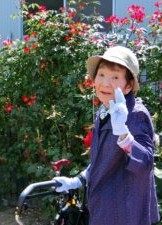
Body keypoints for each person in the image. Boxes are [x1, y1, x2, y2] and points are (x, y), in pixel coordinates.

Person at [53, 46, 160, 225]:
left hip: (124, 214)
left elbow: (146, 163)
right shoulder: (105, 110)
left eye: (115, 77)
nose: (105, 82)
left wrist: (124, 134)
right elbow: (104, 161)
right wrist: (77, 180)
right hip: (104, 209)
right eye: (101, 75)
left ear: (129, 85)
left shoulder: (134, 114)